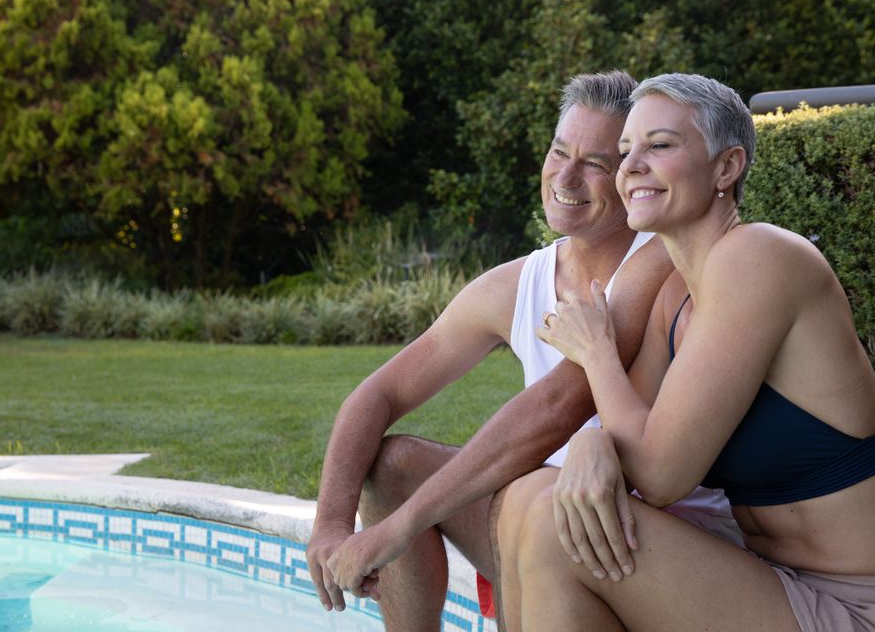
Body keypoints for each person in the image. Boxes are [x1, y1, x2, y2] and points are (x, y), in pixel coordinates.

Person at [497, 73, 875, 631]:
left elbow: (658, 473)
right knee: (530, 497)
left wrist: (597, 353)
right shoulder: (675, 299)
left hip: (868, 612)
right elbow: (633, 437)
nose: (630, 166)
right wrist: (592, 441)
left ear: (727, 167)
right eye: (625, 150)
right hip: (770, 586)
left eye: (658, 146)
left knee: (552, 528)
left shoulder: (760, 255)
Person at [309, 71, 737, 630]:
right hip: (550, 513)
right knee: (393, 466)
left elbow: (559, 407)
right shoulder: (518, 283)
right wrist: (331, 524)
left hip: (660, 538)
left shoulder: (660, 260)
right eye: (560, 152)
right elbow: (381, 392)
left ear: (631, 173)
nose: (566, 175)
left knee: (536, 506)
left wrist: (398, 529)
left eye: (596, 164)